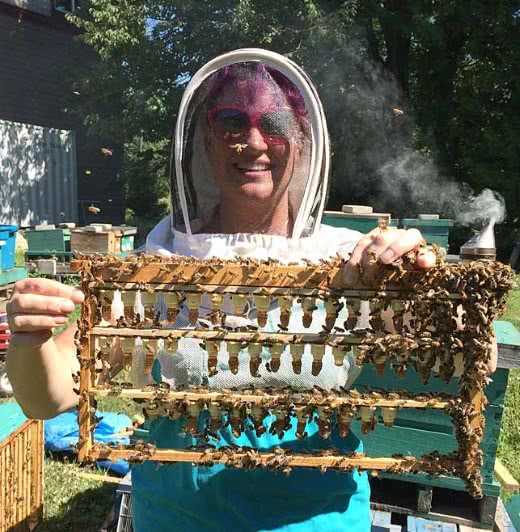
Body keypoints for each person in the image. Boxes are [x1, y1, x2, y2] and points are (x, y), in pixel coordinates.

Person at [8, 49, 444, 532]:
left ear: (301, 141)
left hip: (318, 520)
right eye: (231, 120)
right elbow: (47, 397)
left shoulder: (352, 265)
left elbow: (471, 356)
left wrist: (422, 286)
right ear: (206, 141)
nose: (254, 140)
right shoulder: (159, 266)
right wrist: (32, 342)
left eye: (274, 121)